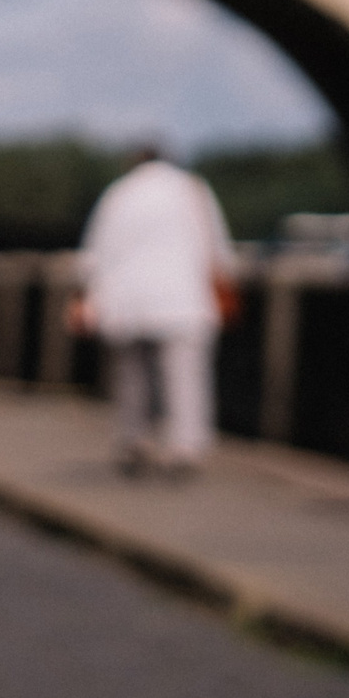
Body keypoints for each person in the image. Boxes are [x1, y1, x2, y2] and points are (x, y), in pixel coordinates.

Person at [70, 148, 235, 478]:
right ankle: (185, 448)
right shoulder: (191, 189)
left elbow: (95, 251)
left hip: (127, 300)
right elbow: (217, 246)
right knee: (185, 377)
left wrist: (85, 294)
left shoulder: (118, 193)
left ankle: (135, 440)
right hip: (183, 297)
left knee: (133, 377)